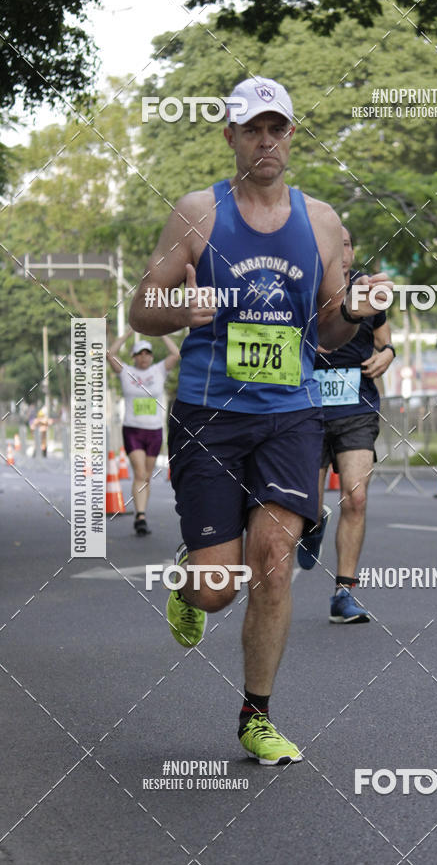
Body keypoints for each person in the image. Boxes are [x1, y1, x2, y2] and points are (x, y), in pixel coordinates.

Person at [128, 76, 390, 765]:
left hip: (290, 415)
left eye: (277, 128)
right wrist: (179, 312)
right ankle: (194, 579)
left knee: (274, 562)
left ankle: (257, 714)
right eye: (252, 129)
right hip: (209, 417)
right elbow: (140, 310)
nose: (265, 140)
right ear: (231, 137)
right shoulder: (198, 214)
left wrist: (356, 314)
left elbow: (330, 333)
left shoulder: (323, 221)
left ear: (291, 136)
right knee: (218, 590)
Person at [297, 227, 396, 624]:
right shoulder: (304, 288)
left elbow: (385, 340)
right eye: (332, 245)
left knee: (356, 497)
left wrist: (388, 354)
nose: (342, 251)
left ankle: (344, 592)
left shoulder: (368, 289)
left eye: (348, 244)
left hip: (357, 404)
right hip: (306, 407)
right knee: (305, 501)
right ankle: (313, 521)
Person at [107, 327, 180, 535]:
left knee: (146, 476)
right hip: (133, 430)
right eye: (140, 354)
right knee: (139, 472)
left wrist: (161, 332)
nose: (144, 357)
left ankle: (142, 512)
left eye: (147, 353)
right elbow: (110, 354)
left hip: (154, 431)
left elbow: (176, 354)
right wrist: (128, 333)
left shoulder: (158, 370)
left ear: (151, 357)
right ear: (134, 357)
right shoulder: (126, 372)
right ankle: (139, 516)